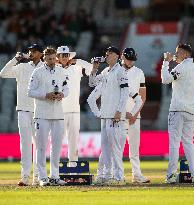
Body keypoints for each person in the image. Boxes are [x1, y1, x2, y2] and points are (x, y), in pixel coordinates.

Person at [0, 44, 43, 186]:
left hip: (40, 110)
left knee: (39, 145)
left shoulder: (45, 68)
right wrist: (14, 59)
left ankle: (38, 176)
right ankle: (25, 177)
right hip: (23, 109)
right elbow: (3, 73)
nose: (31, 53)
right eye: (30, 51)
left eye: (34, 51)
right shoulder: (22, 67)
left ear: (40, 54)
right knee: (25, 144)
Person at [161, 44, 194, 183]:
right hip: (190, 111)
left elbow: (165, 79)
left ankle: (171, 175)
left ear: (185, 54)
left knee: (174, 143)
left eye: (177, 53)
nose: (175, 55)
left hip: (177, 110)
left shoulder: (181, 67)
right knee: (189, 143)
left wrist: (166, 62)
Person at [28, 47, 68, 186]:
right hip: (42, 114)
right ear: (44, 58)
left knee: (56, 146)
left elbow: (66, 87)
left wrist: (63, 94)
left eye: (53, 58)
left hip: (58, 114)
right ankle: (42, 177)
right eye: (49, 59)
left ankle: (55, 176)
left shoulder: (61, 71)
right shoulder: (37, 72)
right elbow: (30, 92)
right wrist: (46, 95)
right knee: (41, 146)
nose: (51, 61)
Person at [89, 46, 129, 185]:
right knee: (105, 147)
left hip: (114, 115)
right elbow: (92, 83)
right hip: (106, 115)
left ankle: (119, 177)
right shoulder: (106, 71)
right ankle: (104, 175)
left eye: (110, 53)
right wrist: (94, 68)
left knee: (115, 147)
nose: (106, 55)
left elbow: (125, 92)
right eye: (106, 53)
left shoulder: (121, 71)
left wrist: (119, 111)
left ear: (117, 56)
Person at [56, 46, 92, 167]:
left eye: (67, 55)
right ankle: (55, 170)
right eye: (62, 55)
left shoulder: (76, 68)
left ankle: (73, 168)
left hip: (74, 111)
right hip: (58, 111)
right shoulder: (54, 69)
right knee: (57, 142)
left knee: (73, 142)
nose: (65, 58)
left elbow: (91, 68)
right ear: (58, 57)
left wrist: (78, 61)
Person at [121, 48, 150, 183]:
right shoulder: (115, 71)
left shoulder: (139, 72)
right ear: (123, 57)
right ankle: (117, 175)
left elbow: (142, 97)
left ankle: (137, 175)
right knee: (117, 148)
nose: (131, 62)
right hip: (118, 116)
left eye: (132, 60)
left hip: (134, 116)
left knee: (134, 148)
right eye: (128, 59)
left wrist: (134, 114)